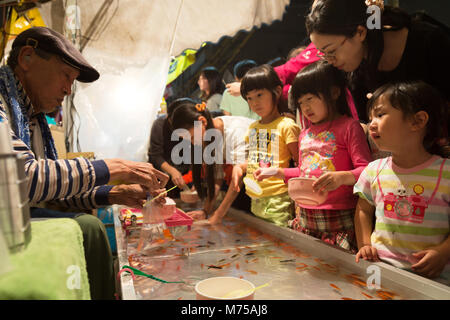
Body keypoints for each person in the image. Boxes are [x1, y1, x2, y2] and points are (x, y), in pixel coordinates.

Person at [0, 27, 169, 299]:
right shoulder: (3, 104)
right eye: (66, 76)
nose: (68, 89)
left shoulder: (33, 117)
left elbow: (55, 189)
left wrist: (118, 193)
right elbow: (23, 180)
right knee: (88, 229)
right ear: (27, 58)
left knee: (89, 227)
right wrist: (119, 168)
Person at [255, 61, 372, 251]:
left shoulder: (349, 127)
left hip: (339, 217)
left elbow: (368, 171)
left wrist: (342, 177)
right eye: (300, 103)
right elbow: (306, 172)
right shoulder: (305, 133)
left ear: (334, 93)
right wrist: (278, 172)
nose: (305, 107)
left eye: (310, 99)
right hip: (306, 217)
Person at [354, 81, 450, 284]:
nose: (371, 123)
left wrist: (443, 252)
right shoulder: (374, 170)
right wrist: (364, 244)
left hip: (433, 281)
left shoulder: (446, 172)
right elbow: (363, 210)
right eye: (371, 117)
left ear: (417, 121)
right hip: (379, 273)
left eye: (380, 115)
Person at [306, 0, 450, 123]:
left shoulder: (429, 41)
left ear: (360, 33)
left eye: (331, 51)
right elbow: (366, 121)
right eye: (322, 53)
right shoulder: (354, 69)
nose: (330, 60)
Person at [169, 100, 255, 224]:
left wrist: (218, 215)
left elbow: (238, 178)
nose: (193, 143)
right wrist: (205, 211)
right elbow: (217, 177)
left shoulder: (236, 131)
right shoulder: (211, 132)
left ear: (202, 121)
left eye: (192, 137)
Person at [237, 64, 300, 227]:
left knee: (278, 247)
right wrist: (240, 167)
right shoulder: (252, 128)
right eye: (249, 98)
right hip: (254, 196)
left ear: (277, 92)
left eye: (259, 95)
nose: (254, 103)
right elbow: (255, 159)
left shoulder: (287, 125)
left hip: (278, 198)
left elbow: (301, 166)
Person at [148, 98, 193, 198]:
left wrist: (193, 173)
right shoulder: (159, 125)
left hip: (185, 173)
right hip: (163, 175)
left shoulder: (193, 125)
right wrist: (172, 171)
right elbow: (156, 155)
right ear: (169, 117)